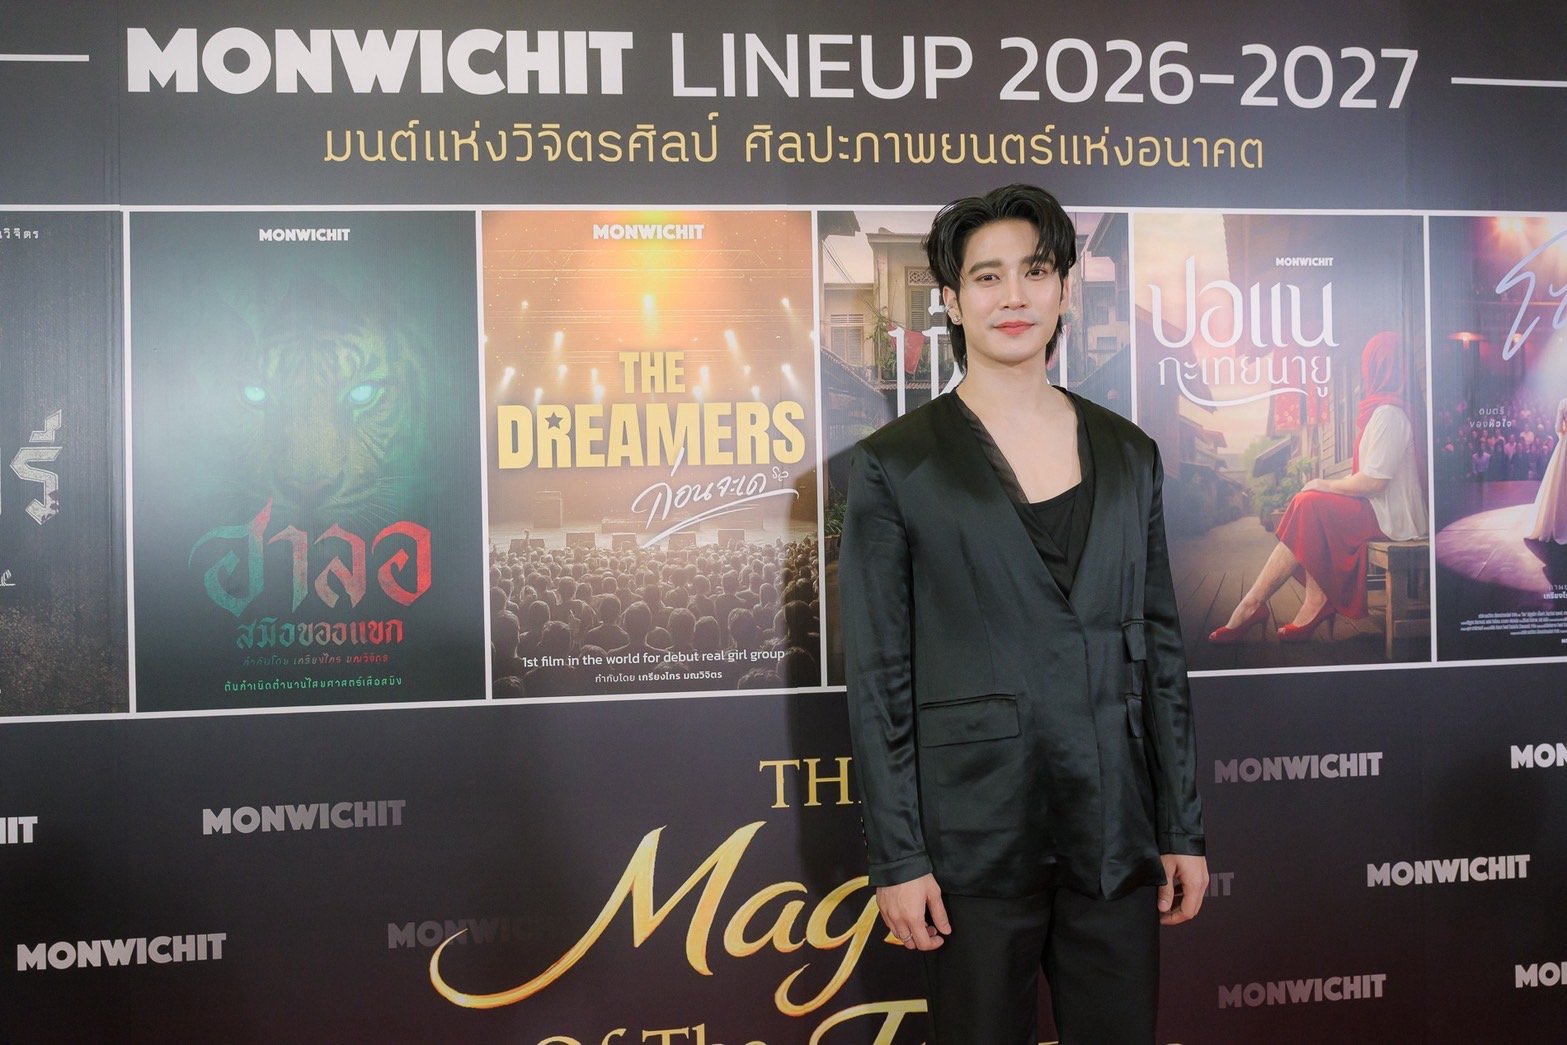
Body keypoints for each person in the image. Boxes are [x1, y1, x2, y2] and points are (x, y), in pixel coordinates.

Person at [841, 184, 1206, 1043]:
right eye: (987, 276)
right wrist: (898, 856)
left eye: (1035, 272)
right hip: (971, 838)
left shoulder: (1129, 453)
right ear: (951, 299)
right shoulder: (896, 464)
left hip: (1114, 828)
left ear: (1064, 288)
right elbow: (879, 676)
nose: (1013, 296)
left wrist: (1180, 826)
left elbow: (1160, 653)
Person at [1210, 331, 1427, 643]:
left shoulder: (1389, 415)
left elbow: (1374, 481)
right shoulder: (1385, 411)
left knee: (1310, 502)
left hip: (1393, 519)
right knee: (1311, 504)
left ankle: (1258, 604)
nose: (1365, 374)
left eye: (1369, 365)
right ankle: (1303, 603)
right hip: (1382, 511)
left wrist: (1324, 483)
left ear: (1381, 367)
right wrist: (1322, 488)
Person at [1526, 398, 1567, 542]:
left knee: (1560, 482)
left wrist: (1563, 437)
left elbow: (1558, 427)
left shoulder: (1563, 402)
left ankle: (1558, 522)